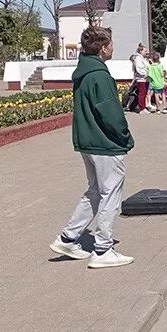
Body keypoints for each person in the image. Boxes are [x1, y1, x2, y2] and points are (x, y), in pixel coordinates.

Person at [49, 26, 135, 268]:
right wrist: (125, 137)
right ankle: (102, 249)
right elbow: (111, 113)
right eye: (111, 44)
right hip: (105, 143)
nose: (113, 47)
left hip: (88, 141)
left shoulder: (84, 72)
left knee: (95, 192)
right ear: (103, 47)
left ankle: (67, 238)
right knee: (110, 195)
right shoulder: (100, 76)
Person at [131, 44, 150, 114]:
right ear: (140, 51)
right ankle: (142, 108)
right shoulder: (138, 59)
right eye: (145, 51)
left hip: (145, 78)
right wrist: (146, 73)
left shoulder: (142, 58)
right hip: (141, 79)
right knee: (142, 94)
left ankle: (143, 106)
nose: (146, 52)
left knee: (144, 94)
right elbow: (139, 69)